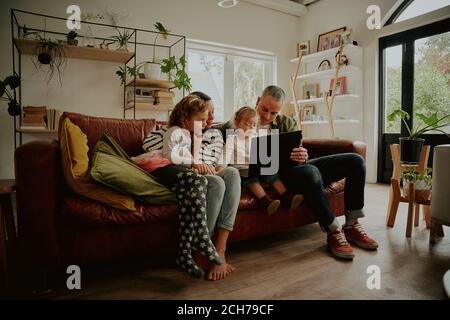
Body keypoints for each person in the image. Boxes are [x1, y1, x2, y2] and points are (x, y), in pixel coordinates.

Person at [220, 85, 378, 260]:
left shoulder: (287, 123)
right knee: (311, 173)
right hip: (279, 176)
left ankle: (352, 225)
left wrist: (302, 155)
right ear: (257, 101)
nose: (267, 116)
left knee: (355, 161)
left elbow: (298, 150)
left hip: (297, 168)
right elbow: (219, 140)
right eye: (264, 109)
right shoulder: (243, 121)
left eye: (273, 113)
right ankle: (333, 230)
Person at [142, 92, 240, 281]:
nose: (210, 120)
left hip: (205, 168)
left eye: (212, 114)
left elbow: (219, 158)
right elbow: (163, 151)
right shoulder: (173, 131)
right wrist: (194, 158)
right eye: (205, 115)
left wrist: (213, 164)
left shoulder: (212, 134)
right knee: (217, 183)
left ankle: (220, 249)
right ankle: (202, 247)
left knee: (232, 173)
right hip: (188, 171)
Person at [225, 106, 304, 215]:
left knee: (271, 172)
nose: (250, 128)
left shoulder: (255, 138)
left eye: (253, 125)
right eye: (247, 124)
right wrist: (220, 167)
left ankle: (287, 197)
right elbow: (225, 156)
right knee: (251, 180)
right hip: (242, 171)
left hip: (256, 166)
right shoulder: (232, 140)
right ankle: (265, 202)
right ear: (237, 123)